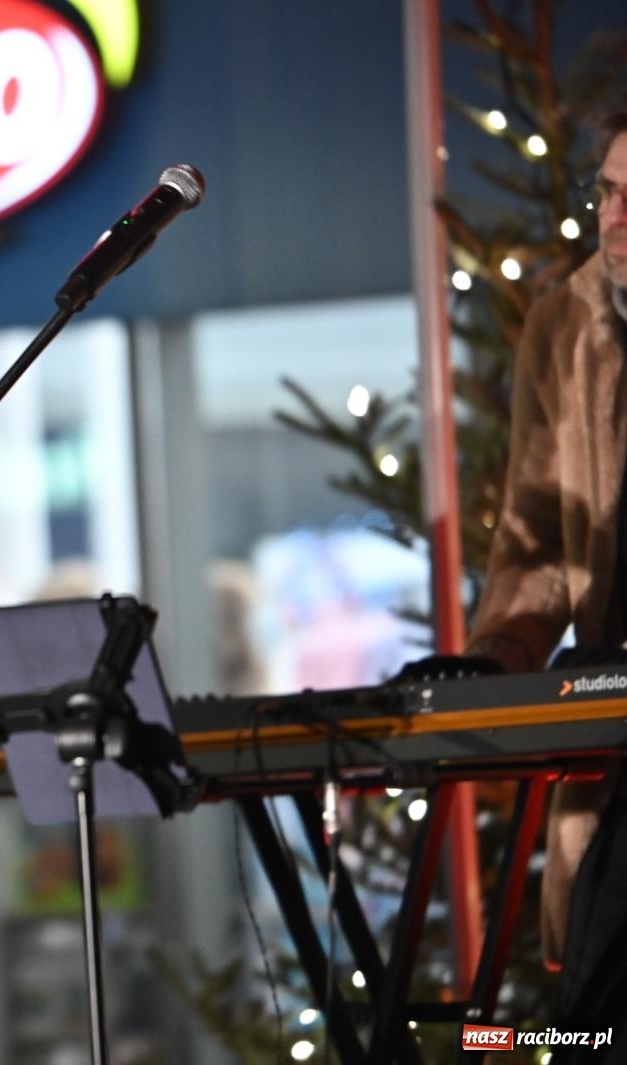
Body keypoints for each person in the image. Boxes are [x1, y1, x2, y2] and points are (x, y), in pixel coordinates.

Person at [461, 111, 627, 1051]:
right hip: (615, 723)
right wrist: (498, 656)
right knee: (591, 1017)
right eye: (607, 189)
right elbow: (531, 540)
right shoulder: (567, 324)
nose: (617, 213)